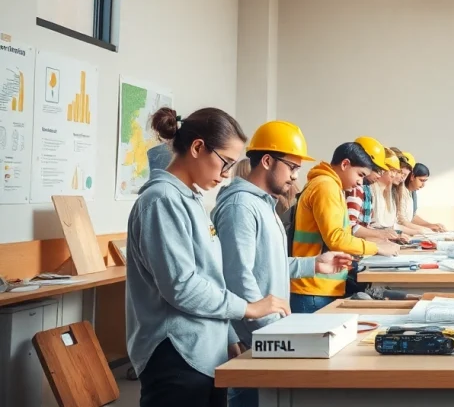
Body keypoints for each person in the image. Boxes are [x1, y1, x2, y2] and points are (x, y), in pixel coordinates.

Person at [126, 107, 290, 407]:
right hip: (176, 354)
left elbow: (211, 276)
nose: (227, 174)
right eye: (225, 162)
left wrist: (227, 336)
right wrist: (248, 309)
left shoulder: (190, 199)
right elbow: (182, 287)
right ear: (198, 147)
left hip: (204, 349)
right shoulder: (161, 200)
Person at [213, 121, 353, 407]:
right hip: (254, 337)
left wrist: (313, 264)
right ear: (267, 160)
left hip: (265, 335)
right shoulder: (241, 206)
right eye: (292, 167)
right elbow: (238, 277)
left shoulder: (264, 205)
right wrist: (272, 333)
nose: (294, 177)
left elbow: (267, 263)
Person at [289, 141, 400, 314]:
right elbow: (336, 239)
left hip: (319, 285)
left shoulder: (331, 186)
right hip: (313, 288)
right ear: (345, 164)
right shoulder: (326, 186)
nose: (360, 182)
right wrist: (376, 248)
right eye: (360, 174)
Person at [403, 155, 445, 232]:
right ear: (412, 176)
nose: (423, 185)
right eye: (421, 180)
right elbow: (401, 221)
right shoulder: (400, 192)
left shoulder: (412, 193)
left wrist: (430, 225)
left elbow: (411, 216)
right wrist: (424, 229)